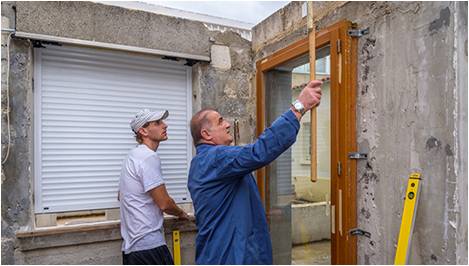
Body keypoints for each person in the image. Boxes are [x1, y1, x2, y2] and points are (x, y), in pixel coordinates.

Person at [187, 80, 322, 264]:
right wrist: (299, 107)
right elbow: (259, 151)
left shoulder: (203, 163)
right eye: (220, 121)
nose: (227, 124)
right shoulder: (216, 158)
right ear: (206, 134)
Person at [119, 108, 189, 265]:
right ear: (143, 131)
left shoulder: (133, 156)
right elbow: (164, 203)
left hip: (132, 249)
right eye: (157, 123)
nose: (165, 125)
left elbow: (120, 195)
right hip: (148, 246)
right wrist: (181, 213)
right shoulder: (148, 157)